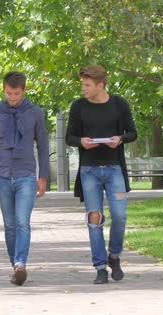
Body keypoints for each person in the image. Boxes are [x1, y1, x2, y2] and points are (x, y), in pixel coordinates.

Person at [65, 65, 137, 284]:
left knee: (120, 216)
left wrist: (120, 139)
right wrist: (82, 142)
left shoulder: (119, 104)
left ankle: (114, 256)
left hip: (114, 169)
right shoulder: (78, 107)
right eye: (82, 85)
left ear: (100, 85)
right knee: (94, 219)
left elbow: (132, 132)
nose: (83, 89)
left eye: (87, 85)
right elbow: (70, 137)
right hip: (89, 171)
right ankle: (99, 268)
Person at [0, 71, 49, 286]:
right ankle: (14, 265)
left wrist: (42, 176)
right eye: (9, 93)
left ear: (24, 91)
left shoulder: (35, 113)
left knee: (22, 222)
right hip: (4, 175)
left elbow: (43, 146)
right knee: (9, 225)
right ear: (3, 89)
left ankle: (21, 264)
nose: (13, 98)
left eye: (16, 94)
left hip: (26, 174)